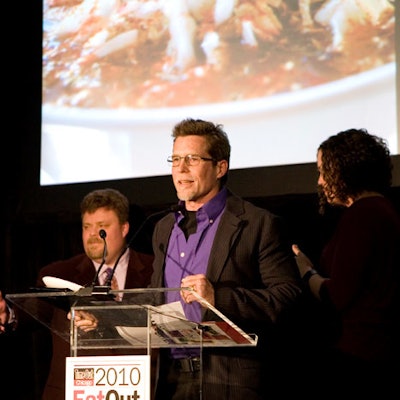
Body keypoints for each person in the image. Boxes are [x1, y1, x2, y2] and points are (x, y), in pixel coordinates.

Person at [149, 118, 303, 399]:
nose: (180, 169)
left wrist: (218, 297)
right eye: (175, 159)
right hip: (170, 381)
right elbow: (155, 298)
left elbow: (287, 297)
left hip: (230, 380)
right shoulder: (163, 228)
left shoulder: (257, 223)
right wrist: (102, 313)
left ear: (220, 167)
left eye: (192, 159)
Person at [3, 188, 154, 400]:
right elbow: (35, 308)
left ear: (124, 227)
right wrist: (8, 312)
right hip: (75, 391)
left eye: (102, 227)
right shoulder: (58, 274)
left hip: (139, 389)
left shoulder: (155, 269)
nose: (92, 235)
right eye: (87, 227)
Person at [292, 128, 400, 398]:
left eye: (322, 170)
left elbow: (337, 296)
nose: (319, 181)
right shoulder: (382, 210)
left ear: (344, 170)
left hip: (360, 358)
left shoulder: (363, 216)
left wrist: (304, 270)